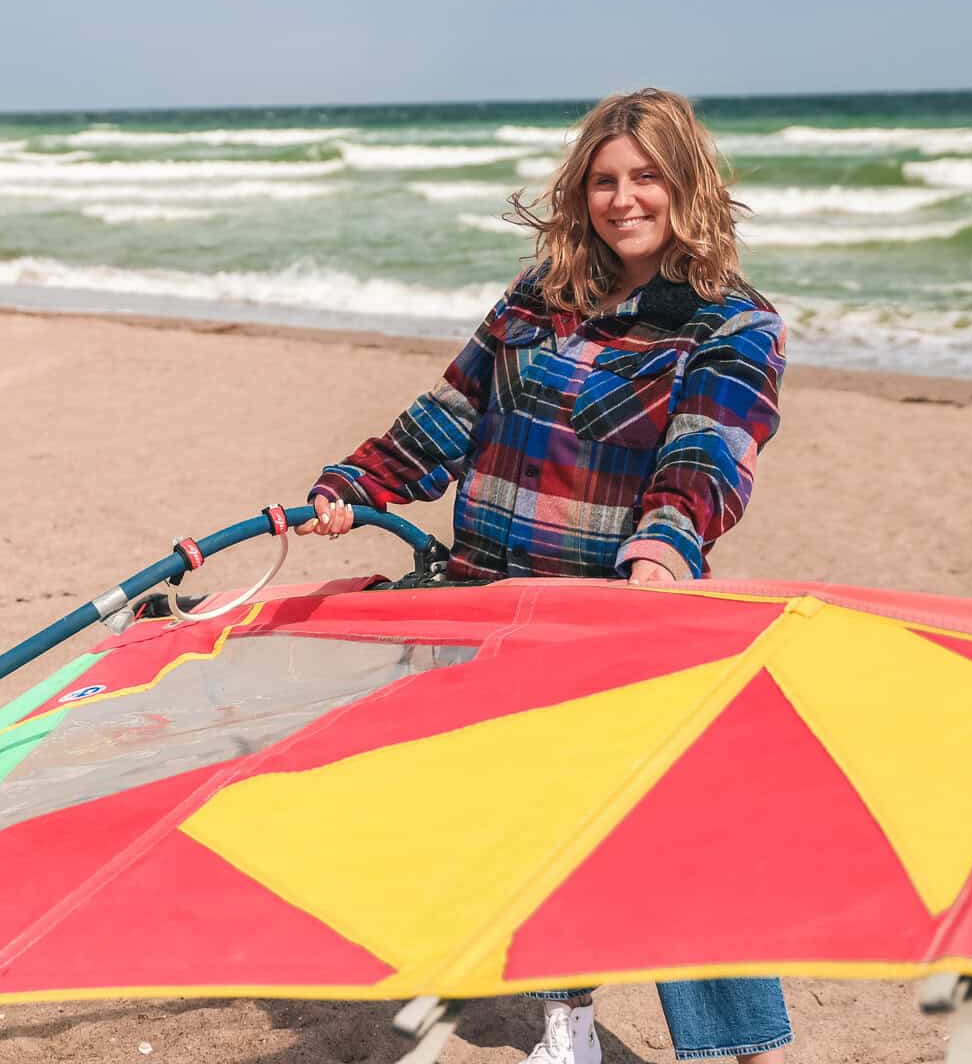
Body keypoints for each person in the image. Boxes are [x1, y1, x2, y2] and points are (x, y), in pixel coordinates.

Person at [296, 88, 792, 1064]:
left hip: (610, 614)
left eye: (645, 176)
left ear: (685, 184)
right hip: (484, 598)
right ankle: (565, 1018)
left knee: (667, 820)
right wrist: (360, 483)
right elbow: (450, 412)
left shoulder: (733, 326)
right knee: (523, 807)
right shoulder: (537, 298)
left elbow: (711, 452)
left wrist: (664, 546)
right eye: (605, 180)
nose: (623, 198)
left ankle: (741, 1045)